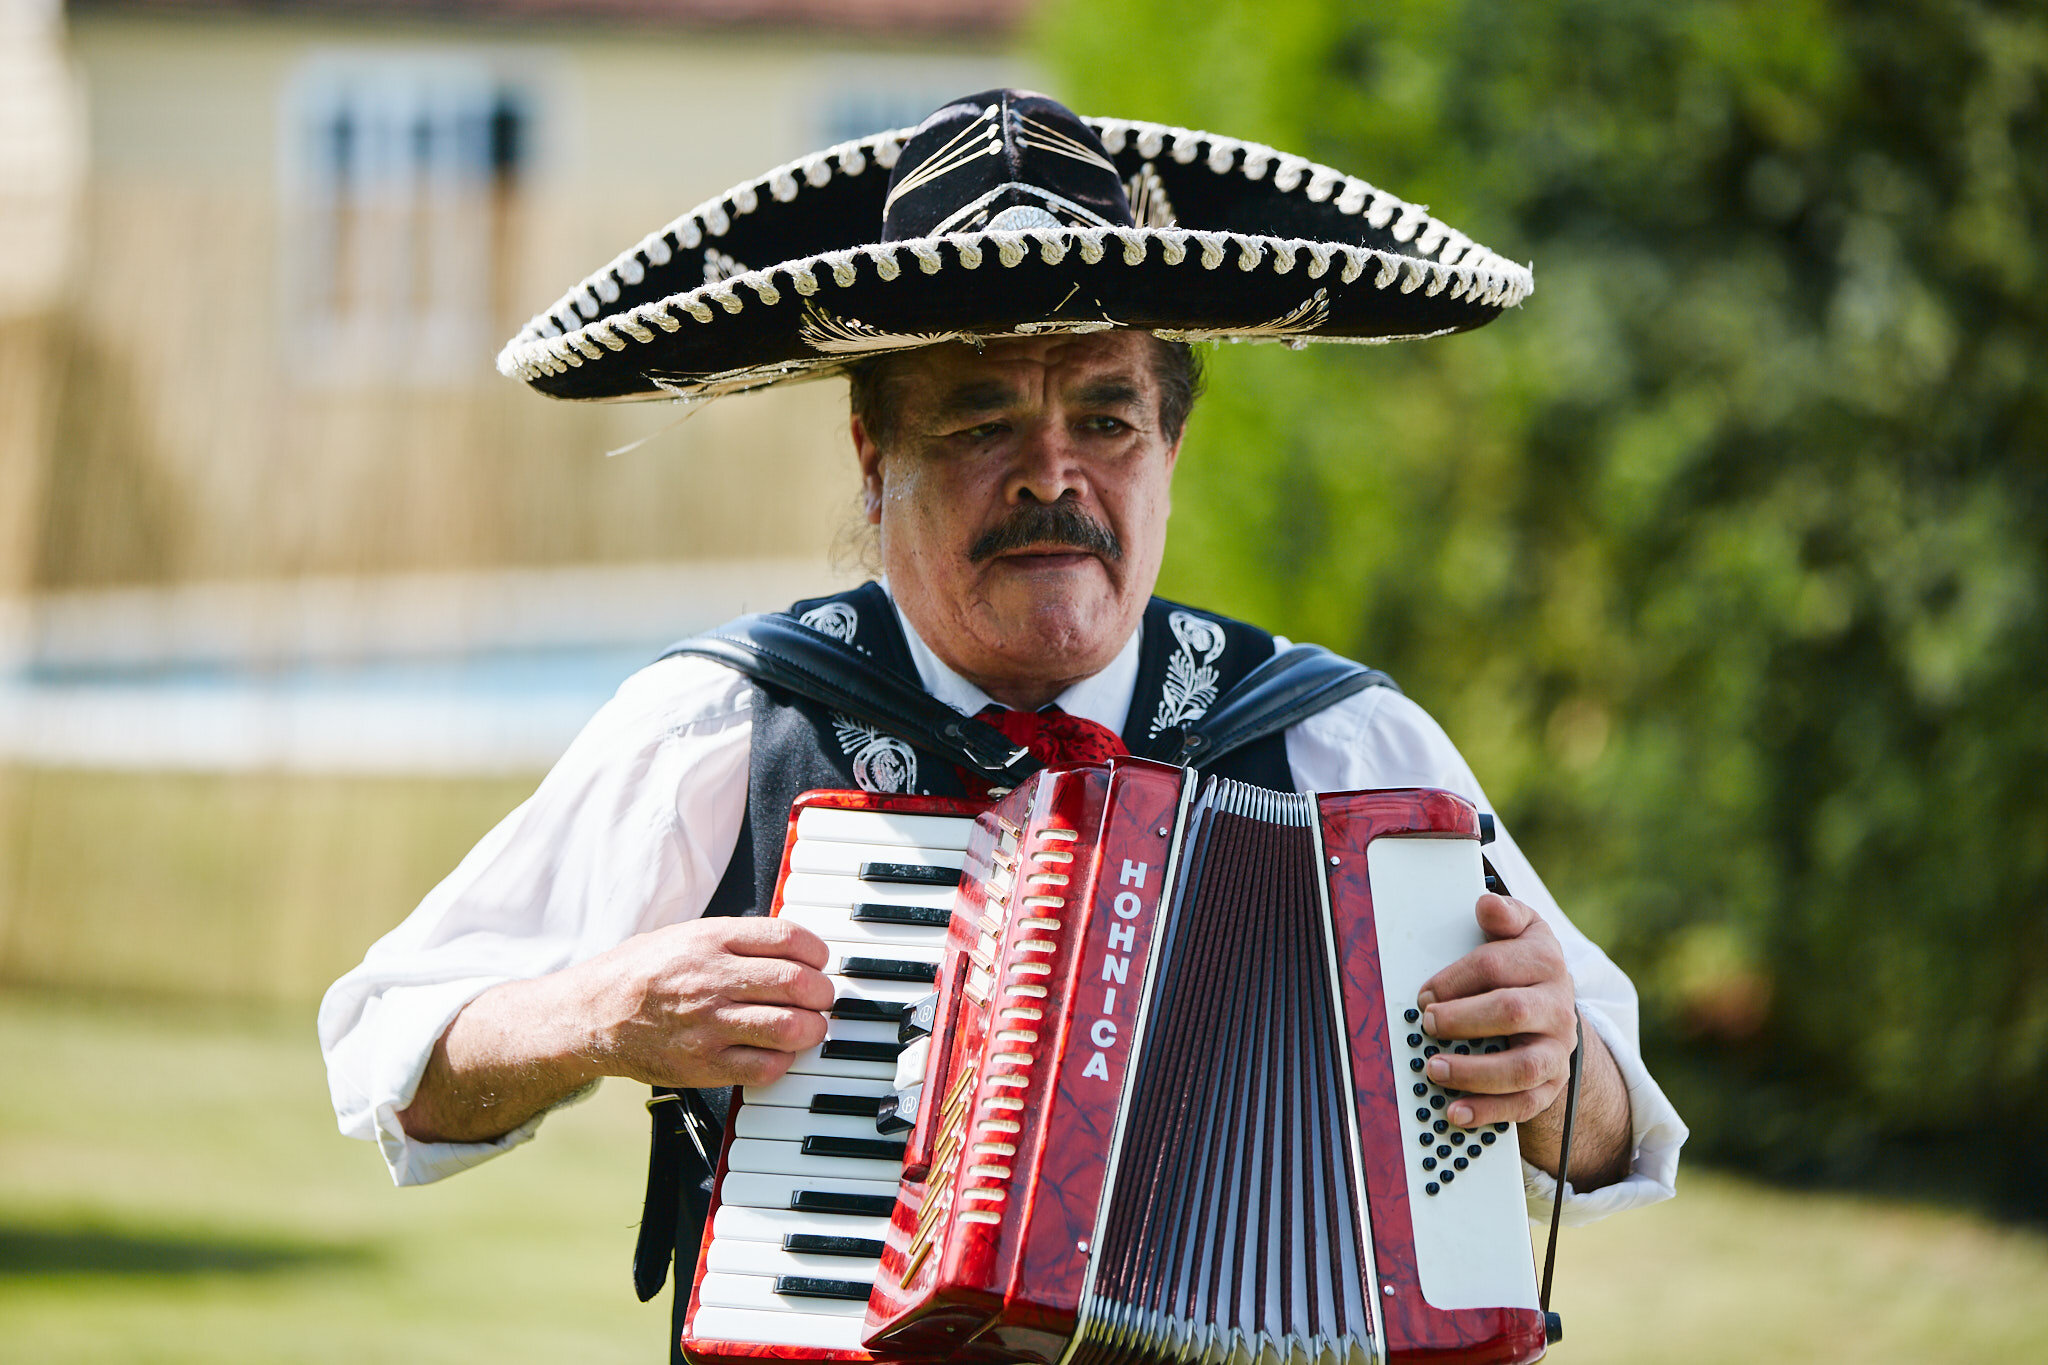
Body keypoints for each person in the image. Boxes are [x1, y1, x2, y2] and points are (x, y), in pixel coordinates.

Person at [321, 87, 1684, 1342]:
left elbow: (1617, 1125)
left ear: (1172, 450)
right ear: (875, 456)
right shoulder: (729, 727)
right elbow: (401, 1060)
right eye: (982, 423)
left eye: (1107, 420)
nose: (1054, 476)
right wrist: (597, 1009)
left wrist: (1555, 1065)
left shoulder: (1342, 746)